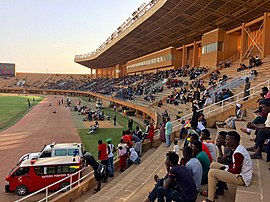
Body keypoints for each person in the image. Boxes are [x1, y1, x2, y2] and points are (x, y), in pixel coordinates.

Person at [202, 131, 253, 202]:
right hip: (240, 173)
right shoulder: (238, 148)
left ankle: (210, 199)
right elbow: (235, 164)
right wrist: (227, 166)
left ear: (233, 141)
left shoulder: (238, 153)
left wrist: (226, 169)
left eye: (227, 140)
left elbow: (237, 170)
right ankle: (217, 189)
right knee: (213, 165)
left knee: (212, 173)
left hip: (242, 178)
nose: (225, 141)